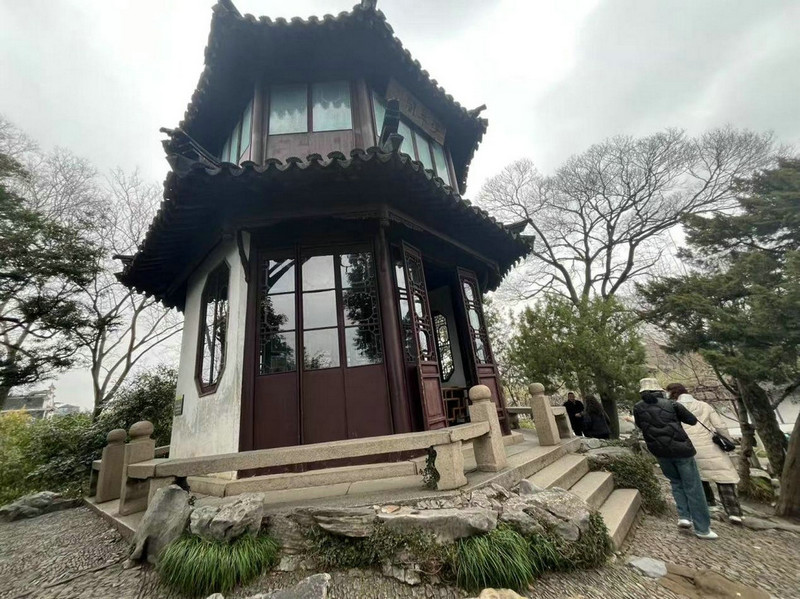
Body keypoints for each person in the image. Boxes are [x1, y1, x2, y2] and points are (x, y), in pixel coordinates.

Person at [633, 378, 718, 540]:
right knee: (693, 487)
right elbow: (691, 420)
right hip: (681, 449)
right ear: (659, 390)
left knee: (676, 482)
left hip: (659, 451)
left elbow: (640, 425)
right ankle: (702, 528)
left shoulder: (638, 407)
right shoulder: (671, 404)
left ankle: (684, 516)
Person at [666, 383, 743, 523]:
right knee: (723, 476)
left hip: (689, 446)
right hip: (710, 445)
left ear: (672, 393)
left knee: (699, 477)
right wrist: (727, 439)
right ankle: (734, 512)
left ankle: (710, 504)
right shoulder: (704, 406)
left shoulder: (673, 408)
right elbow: (720, 425)